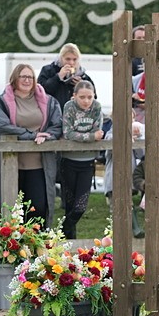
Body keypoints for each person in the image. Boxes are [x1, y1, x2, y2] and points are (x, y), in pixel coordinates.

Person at [0, 64, 62, 226]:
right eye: (23, 77)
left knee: (39, 208)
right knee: (11, 210)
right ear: (15, 79)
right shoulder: (2, 101)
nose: (27, 80)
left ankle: (37, 247)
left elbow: (57, 125)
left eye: (30, 77)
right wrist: (31, 135)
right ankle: (14, 248)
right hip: (9, 164)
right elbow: (1, 126)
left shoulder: (48, 101)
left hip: (38, 164)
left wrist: (47, 136)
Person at [60, 80, 104, 239]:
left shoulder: (96, 107)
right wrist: (91, 137)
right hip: (68, 161)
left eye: (89, 97)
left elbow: (98, 131)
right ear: (74, 96)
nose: (86, 101)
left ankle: (60, 230)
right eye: (82, 97)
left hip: (87, 162)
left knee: (80, 207)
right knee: (70, 205)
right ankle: (69, 242)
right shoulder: (69, 107)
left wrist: (89, 136)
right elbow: (68, 133)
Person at [38, 43, 96, 110]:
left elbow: (94, 97)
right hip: (53, 114)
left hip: (77, 117)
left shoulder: (83, 76)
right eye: (68, 59)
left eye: (74, 59)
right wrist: (58, 77)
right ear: (61, 58)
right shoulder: (48, 70)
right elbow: (40, 92)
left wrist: (81, 86)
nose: (71, 63)